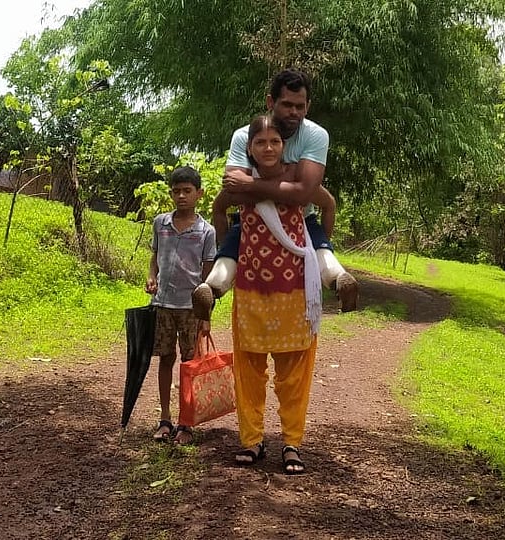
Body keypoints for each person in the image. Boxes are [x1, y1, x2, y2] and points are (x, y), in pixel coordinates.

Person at [191, 70, 357, 323]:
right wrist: (289, 179)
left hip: (299, 219)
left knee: (320, 250)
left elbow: (304, 194)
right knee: (231, 251)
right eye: (287, 105)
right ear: (271, 103)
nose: (294, 112)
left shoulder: (314, 135)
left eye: (300, 106)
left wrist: (251, 182)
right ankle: (211, 289)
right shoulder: (243, 135)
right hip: (253, 219)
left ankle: (339, 280)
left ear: (308, 106)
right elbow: (234, 189)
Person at [221, 111, 322, 475]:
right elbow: (219, 208)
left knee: (294, 373)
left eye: (275, 141)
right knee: (248, 370)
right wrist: (224, 251)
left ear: (285, 145)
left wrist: (321, 246)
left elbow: (325, 202)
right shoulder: (238, 181)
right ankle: (252, 441)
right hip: (250, 287)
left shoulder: (297, 175)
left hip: (294, 287)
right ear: (249, 147)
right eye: (260, 142)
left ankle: (292, 443)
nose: (268, 147)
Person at [146, 166, 216, 445]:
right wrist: (152, 276)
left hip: (191, 309)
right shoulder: (160, 224)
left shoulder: (206, 231)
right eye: (176, 191)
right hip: (163, 303)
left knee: (190, 364)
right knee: (165, 359)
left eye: (187, 191)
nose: (181, 196)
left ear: (199, 193)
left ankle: (186, 422)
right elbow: (154, 257)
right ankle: (165, 418)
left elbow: (208, 277)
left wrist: (206, 314)